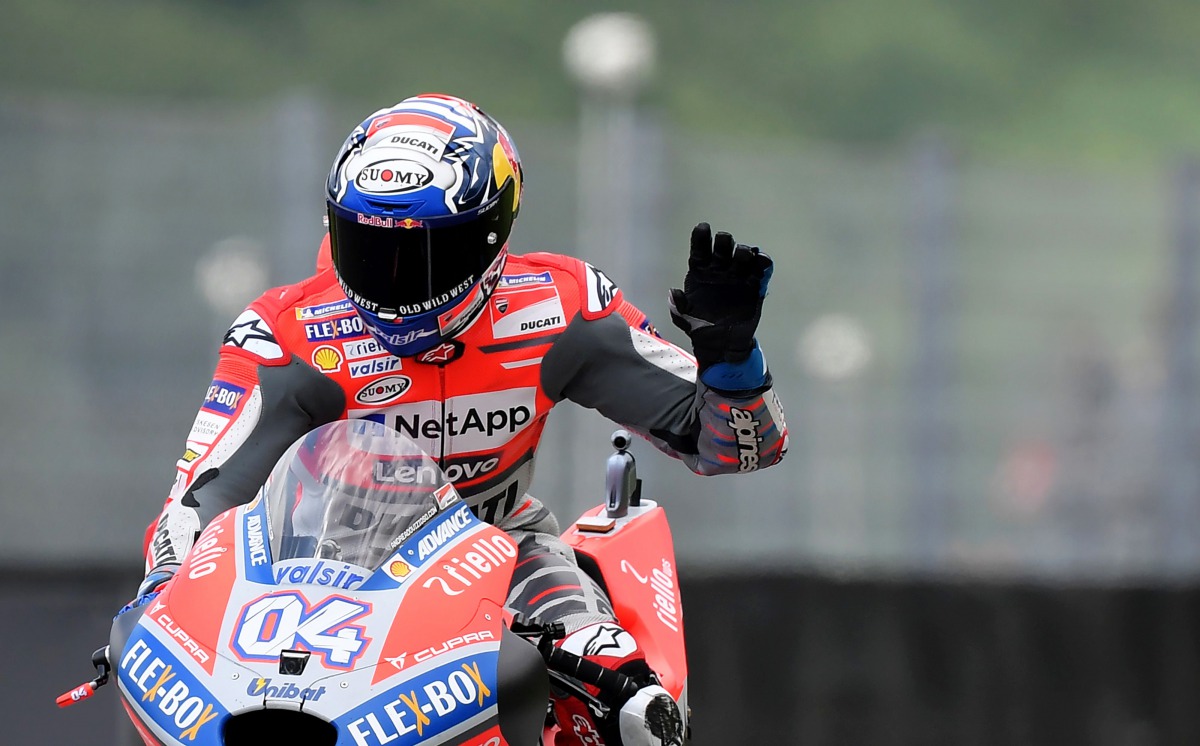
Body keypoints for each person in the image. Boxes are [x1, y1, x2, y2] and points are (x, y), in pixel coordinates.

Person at [129, 93, 788, 746]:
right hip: (317, 578)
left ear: (492, 234)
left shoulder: (563, 308)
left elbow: (738, 448)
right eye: (368, 247)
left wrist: (730, 361)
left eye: (427, 254)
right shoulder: (283, 333)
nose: (394, 282)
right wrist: (158, 602)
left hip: (506, 555)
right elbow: (199, 499)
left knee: (630, 703)